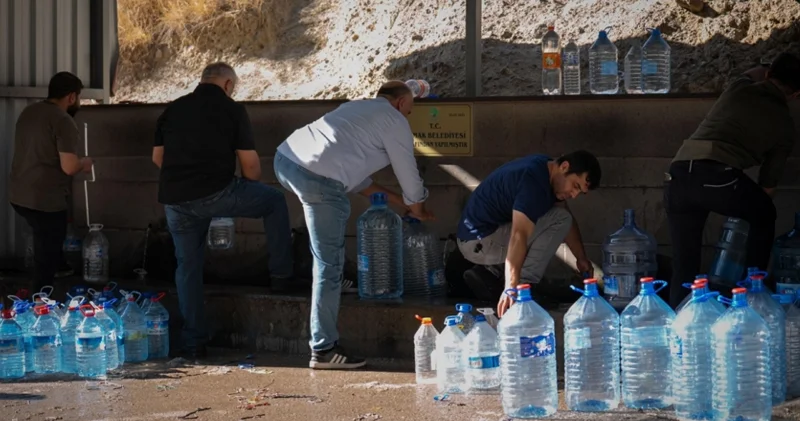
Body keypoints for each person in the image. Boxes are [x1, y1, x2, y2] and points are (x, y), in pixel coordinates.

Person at [274, 80, 434, 369]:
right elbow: (410, 177)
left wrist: (401, 204)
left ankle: (332, 279)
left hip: (285, 160)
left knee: (326, 250)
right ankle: (323, 349)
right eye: (409, 110)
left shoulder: (357, 109)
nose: (407, 116)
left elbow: (357, 179)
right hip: (316, 178)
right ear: (400, 103)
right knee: (328, 264)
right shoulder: (394, 119)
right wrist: (418, 205)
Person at [152, 62, 294, 358]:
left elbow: (158, 158)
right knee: (274, 201)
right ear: (228, 84)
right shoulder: (232, 110)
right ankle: (281, 277)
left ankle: (194, 342)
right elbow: (252, 170)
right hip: (216, 192)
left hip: (175, 200)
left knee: (187, 267)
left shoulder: (172, 109)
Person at [665, 52, 800, 307]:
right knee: (764, 213)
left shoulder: (738, 88)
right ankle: (753, 289)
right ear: (796, 95)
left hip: (677, 174)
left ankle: (677, 321)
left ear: (770, 74)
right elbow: (767, 188)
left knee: (685, 263)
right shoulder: (785, 127)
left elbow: (753, 72)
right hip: (717, 175)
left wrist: (766, 65)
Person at [456, 151, 602, 317]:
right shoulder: (534, 183)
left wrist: (581, 258)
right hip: (479, 242)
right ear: (564, 167)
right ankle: (523, 290)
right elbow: (519, 235)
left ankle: (493, 274)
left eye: (580, 192)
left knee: (559, 216)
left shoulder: (545, 168)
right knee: (559, 220)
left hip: (479, 238)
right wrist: (511, 287)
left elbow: (563, 211)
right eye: (575, 186)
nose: (574, 195)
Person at [8, 72, 93, 291]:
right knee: (48, 249)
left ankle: (57, 267)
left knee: (45, 241)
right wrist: (85, 163)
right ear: (72, 97)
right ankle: (41, 300)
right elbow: (69, 167)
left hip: (19, 194)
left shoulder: (29, 112)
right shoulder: (63, 120)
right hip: (44, 199)